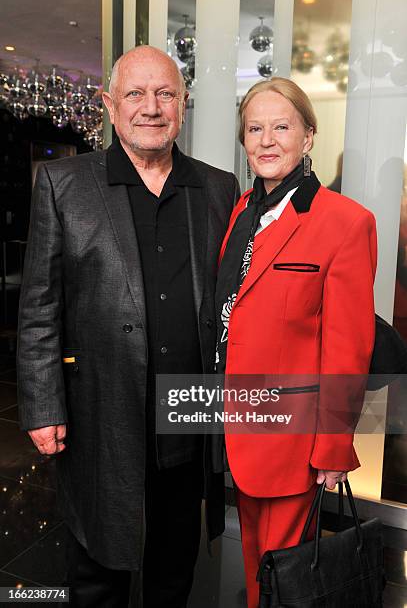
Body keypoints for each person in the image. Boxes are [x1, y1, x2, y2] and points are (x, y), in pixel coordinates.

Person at [17, 45, 239, 608]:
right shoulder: (64, 184)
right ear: (110, 105)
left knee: (173, 564)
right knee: (98, 568)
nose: (151, 107)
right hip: (101, 412)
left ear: (183, 106)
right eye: (135, 94)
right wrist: (44, 405)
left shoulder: (217, 188)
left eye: (165, 93)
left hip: (188, 415)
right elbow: (40, 306)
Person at [214, 78, 377, 608]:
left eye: (281, 127)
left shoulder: (345, 222)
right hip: (237, 423)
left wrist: (332, 445)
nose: (266, 140)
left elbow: (348, 348)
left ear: (308, 136)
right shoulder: (242, 213)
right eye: (254, 129)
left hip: (292, 439)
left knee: (286, 578)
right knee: (257, 566)